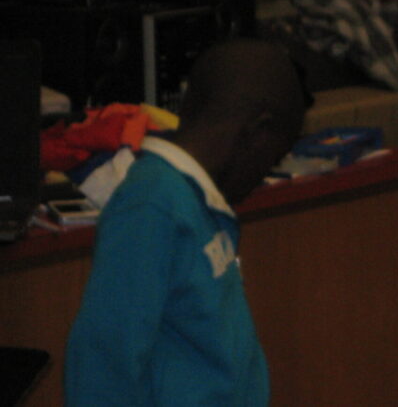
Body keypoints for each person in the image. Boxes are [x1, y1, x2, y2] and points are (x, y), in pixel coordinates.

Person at [65, 38, 311, 406]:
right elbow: (104, 359)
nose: (265, 174)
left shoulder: (195, 200)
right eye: (273, 159)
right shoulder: (151, 204)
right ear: (256, 132)